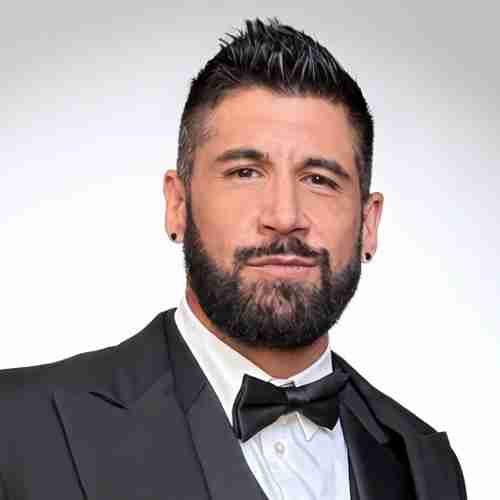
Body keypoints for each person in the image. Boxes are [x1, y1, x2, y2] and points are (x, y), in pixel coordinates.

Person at [0, 18, 466, 500]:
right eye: (245, 172)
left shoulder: (427, 467)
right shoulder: (14, 428)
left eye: (319, 179)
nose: (284, 217)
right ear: (178, 204)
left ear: (368, 223)